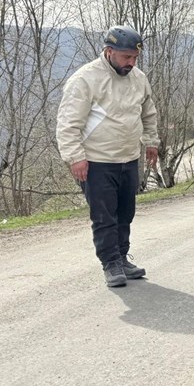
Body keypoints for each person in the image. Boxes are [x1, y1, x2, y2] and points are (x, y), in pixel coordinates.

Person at [56, 25, 159, 288]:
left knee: (126, 213)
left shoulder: (138, 78)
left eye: (135, 58)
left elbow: (148, 112)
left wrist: (151, 142)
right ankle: (110, 262)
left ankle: (122, 257)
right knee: (104, 216)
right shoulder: (85, 79)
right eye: (126, 57)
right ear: (109, 51)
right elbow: (68, 123)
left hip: (127, 158)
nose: (131, 63)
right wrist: (75, 157)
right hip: (97, 161)